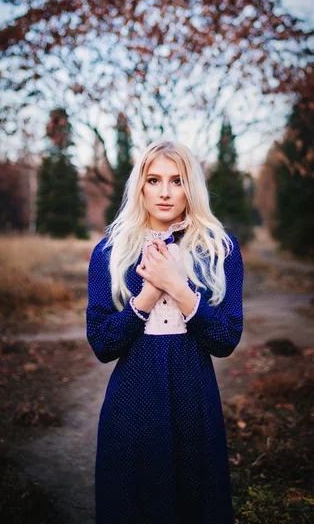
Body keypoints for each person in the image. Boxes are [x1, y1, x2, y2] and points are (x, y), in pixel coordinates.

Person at [86, 139, 244, 524]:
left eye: (177, 181)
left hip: (194, 395)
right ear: (140, 185)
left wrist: (178, 287)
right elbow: (103, 344)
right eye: (154, 180)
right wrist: (147, 294)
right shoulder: (110, 252)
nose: (165, 192)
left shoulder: (220, 250)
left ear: (192, 186)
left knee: (195, 502)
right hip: (132, 400)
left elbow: (225, 340)